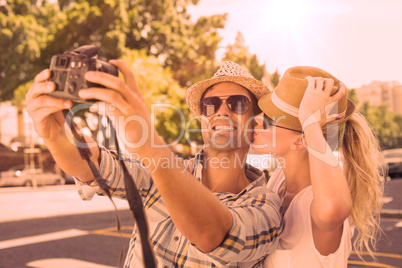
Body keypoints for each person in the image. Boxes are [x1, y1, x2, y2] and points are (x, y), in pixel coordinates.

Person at [25, 60, 282, 267]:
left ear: (255, 125)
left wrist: (149, 143)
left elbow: (213, 235)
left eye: (237, 104)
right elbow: (94, 165)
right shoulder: (168, 172)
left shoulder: (265, 206)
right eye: (210, 104)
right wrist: (55, 135)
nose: (221, 111)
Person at [251, 66, 384, 267]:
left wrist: (311, 124)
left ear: (300, 141)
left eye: (269, 120)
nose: (257, 120)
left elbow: (333, 209)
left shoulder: (317, 201)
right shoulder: (279, 179)